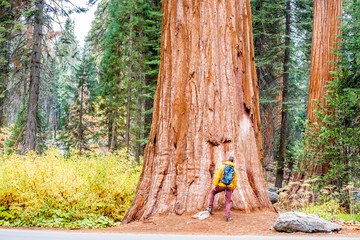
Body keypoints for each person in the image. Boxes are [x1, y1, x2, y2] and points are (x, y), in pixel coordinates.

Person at [206, 156, 238, 222]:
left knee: (213, 192)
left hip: (221, 185)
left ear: (227, 160)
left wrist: (215, 185)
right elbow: (235, 180)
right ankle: (227, 217)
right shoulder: (234, 170)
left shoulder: (222, 167)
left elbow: (218, 176)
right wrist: (233, 189)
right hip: (229, 186)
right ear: (233, 161)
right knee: (228, 201)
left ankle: (210, 207)